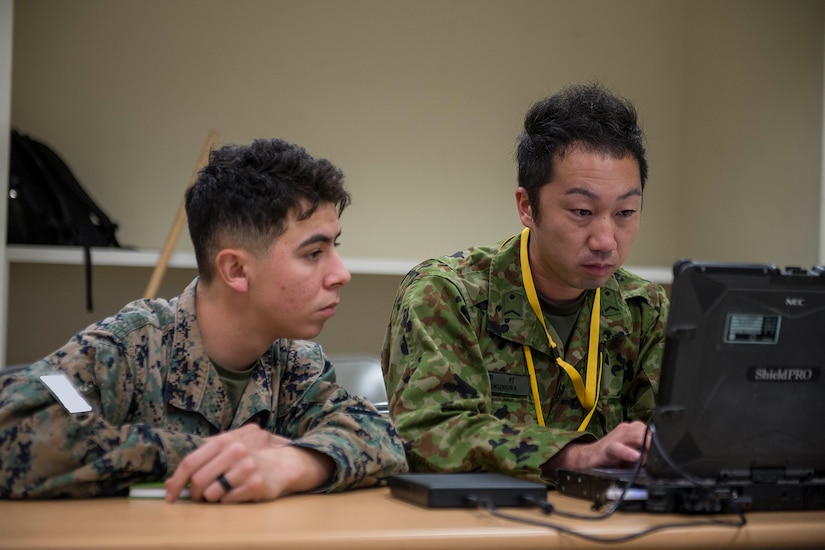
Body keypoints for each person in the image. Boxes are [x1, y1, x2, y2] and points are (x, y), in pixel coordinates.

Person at [0, 138, 407, 502]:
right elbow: (15, 431)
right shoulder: (128, 347)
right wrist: (207, 455)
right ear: (236, 270)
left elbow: (378, 436)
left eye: (333, 248)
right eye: (314, 254)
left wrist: (289, 464)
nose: (341, 274)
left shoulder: (293, 363)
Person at [381, 82, 669, 484]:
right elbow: (429, 434)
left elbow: (674, 440)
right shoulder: (448, 294)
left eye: (625, 212)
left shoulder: (645, 310)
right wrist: (578, 456)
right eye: (582, 211)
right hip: (477, 529)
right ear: (527, 207)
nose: (605, 240)